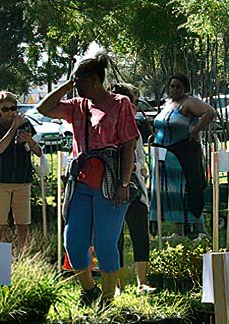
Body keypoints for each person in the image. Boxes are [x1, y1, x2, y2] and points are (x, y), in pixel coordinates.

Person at [37, 50, 140, 307]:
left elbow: (128, 146)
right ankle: (89, 290)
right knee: (73, 241)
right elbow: (43, 108)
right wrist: (68, 84)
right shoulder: (77, 106)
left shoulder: (120, 104)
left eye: (81, 82)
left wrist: (124, 184)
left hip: (110, 183)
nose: (77, 87)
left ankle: (107, 299)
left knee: (105, 243)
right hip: (81, 182)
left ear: (95, 81)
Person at [154, 74, 216, 237]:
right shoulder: (168, 104)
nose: (174, 89)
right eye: (172, 86)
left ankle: (199, 228)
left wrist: (196, 130)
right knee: (173, 192)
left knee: (188, 189)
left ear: (185, 88)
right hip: (166, 155)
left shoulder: (190, 102)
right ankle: (179, 230)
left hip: (183, 152)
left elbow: (210, 112)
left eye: (178, 86)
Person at [111, 83, 157, 293]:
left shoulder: (135, 129)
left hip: (135, 187)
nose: (135, 108)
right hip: (110, 188)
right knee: (115, 235)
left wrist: (133, 167)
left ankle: (142, 281)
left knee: (140, 232)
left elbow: (140, 157)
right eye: (132, 103)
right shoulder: (106, 126)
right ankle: (119, 284)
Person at [0, 92, 40, 247]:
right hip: (0, 181)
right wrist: (14, 127)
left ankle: (23, 257)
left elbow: (38, 151)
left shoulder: (26, 124)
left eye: (13, 108)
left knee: (23, 225)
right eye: (5, 109)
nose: (10, 112)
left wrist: (29, 139)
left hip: (22, 180)